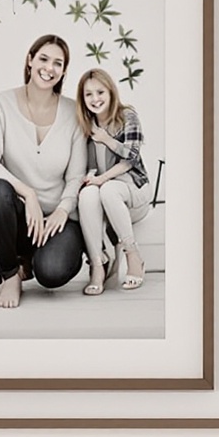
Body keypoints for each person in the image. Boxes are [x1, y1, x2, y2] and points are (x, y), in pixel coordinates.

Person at [0, 36, 89, 310]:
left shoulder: (73, 112)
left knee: (51, 273)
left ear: (64, 71)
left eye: (58, 63)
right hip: (19, 216)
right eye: (43, 58)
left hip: (57, 220)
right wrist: (28, 195)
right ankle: (10, 273)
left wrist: (63, 210)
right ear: (30, 60)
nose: (49, 67)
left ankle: (32, 260)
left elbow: (76, 177)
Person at [74, 70, 150, 296]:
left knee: (107, 189)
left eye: (100, 92)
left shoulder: (127, 116)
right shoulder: (87, 124)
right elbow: (91, 164)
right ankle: (97, 264)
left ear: (110, 92)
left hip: (133, 187)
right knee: (87, 195)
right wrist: (89, 177)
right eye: (89, 94)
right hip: (106, 188)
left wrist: (107, 140)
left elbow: (131, 158)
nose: (95, 99)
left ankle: (132, 254)